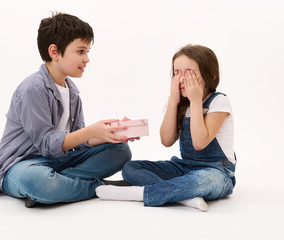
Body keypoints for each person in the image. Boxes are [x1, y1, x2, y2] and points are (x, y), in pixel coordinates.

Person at [0, 13, 133, 207]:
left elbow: (78, 142)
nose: (87, 59)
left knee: (120, 151)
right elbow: (46, 144)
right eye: (80, 51)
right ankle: (96, 188)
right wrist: (90, 131)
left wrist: (107, 134)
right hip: (23, 165)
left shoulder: (73, 92)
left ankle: (55, 187)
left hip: (59, 161)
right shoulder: (32, 88)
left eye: (87, 52)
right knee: (37, 180)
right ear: (54, 51)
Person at [96, 44, 236, 211]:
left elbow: (199, 143)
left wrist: (196, 100)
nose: (183, 79)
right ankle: (184, 196)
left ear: (211, 76)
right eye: (178, 73)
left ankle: (139, 194)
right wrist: (174, 101)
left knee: (204, 181)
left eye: (189, 73)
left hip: (217, 172)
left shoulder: (219, 102)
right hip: (185, 167)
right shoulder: (182, 105)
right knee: (130, 168)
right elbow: (166, 140)